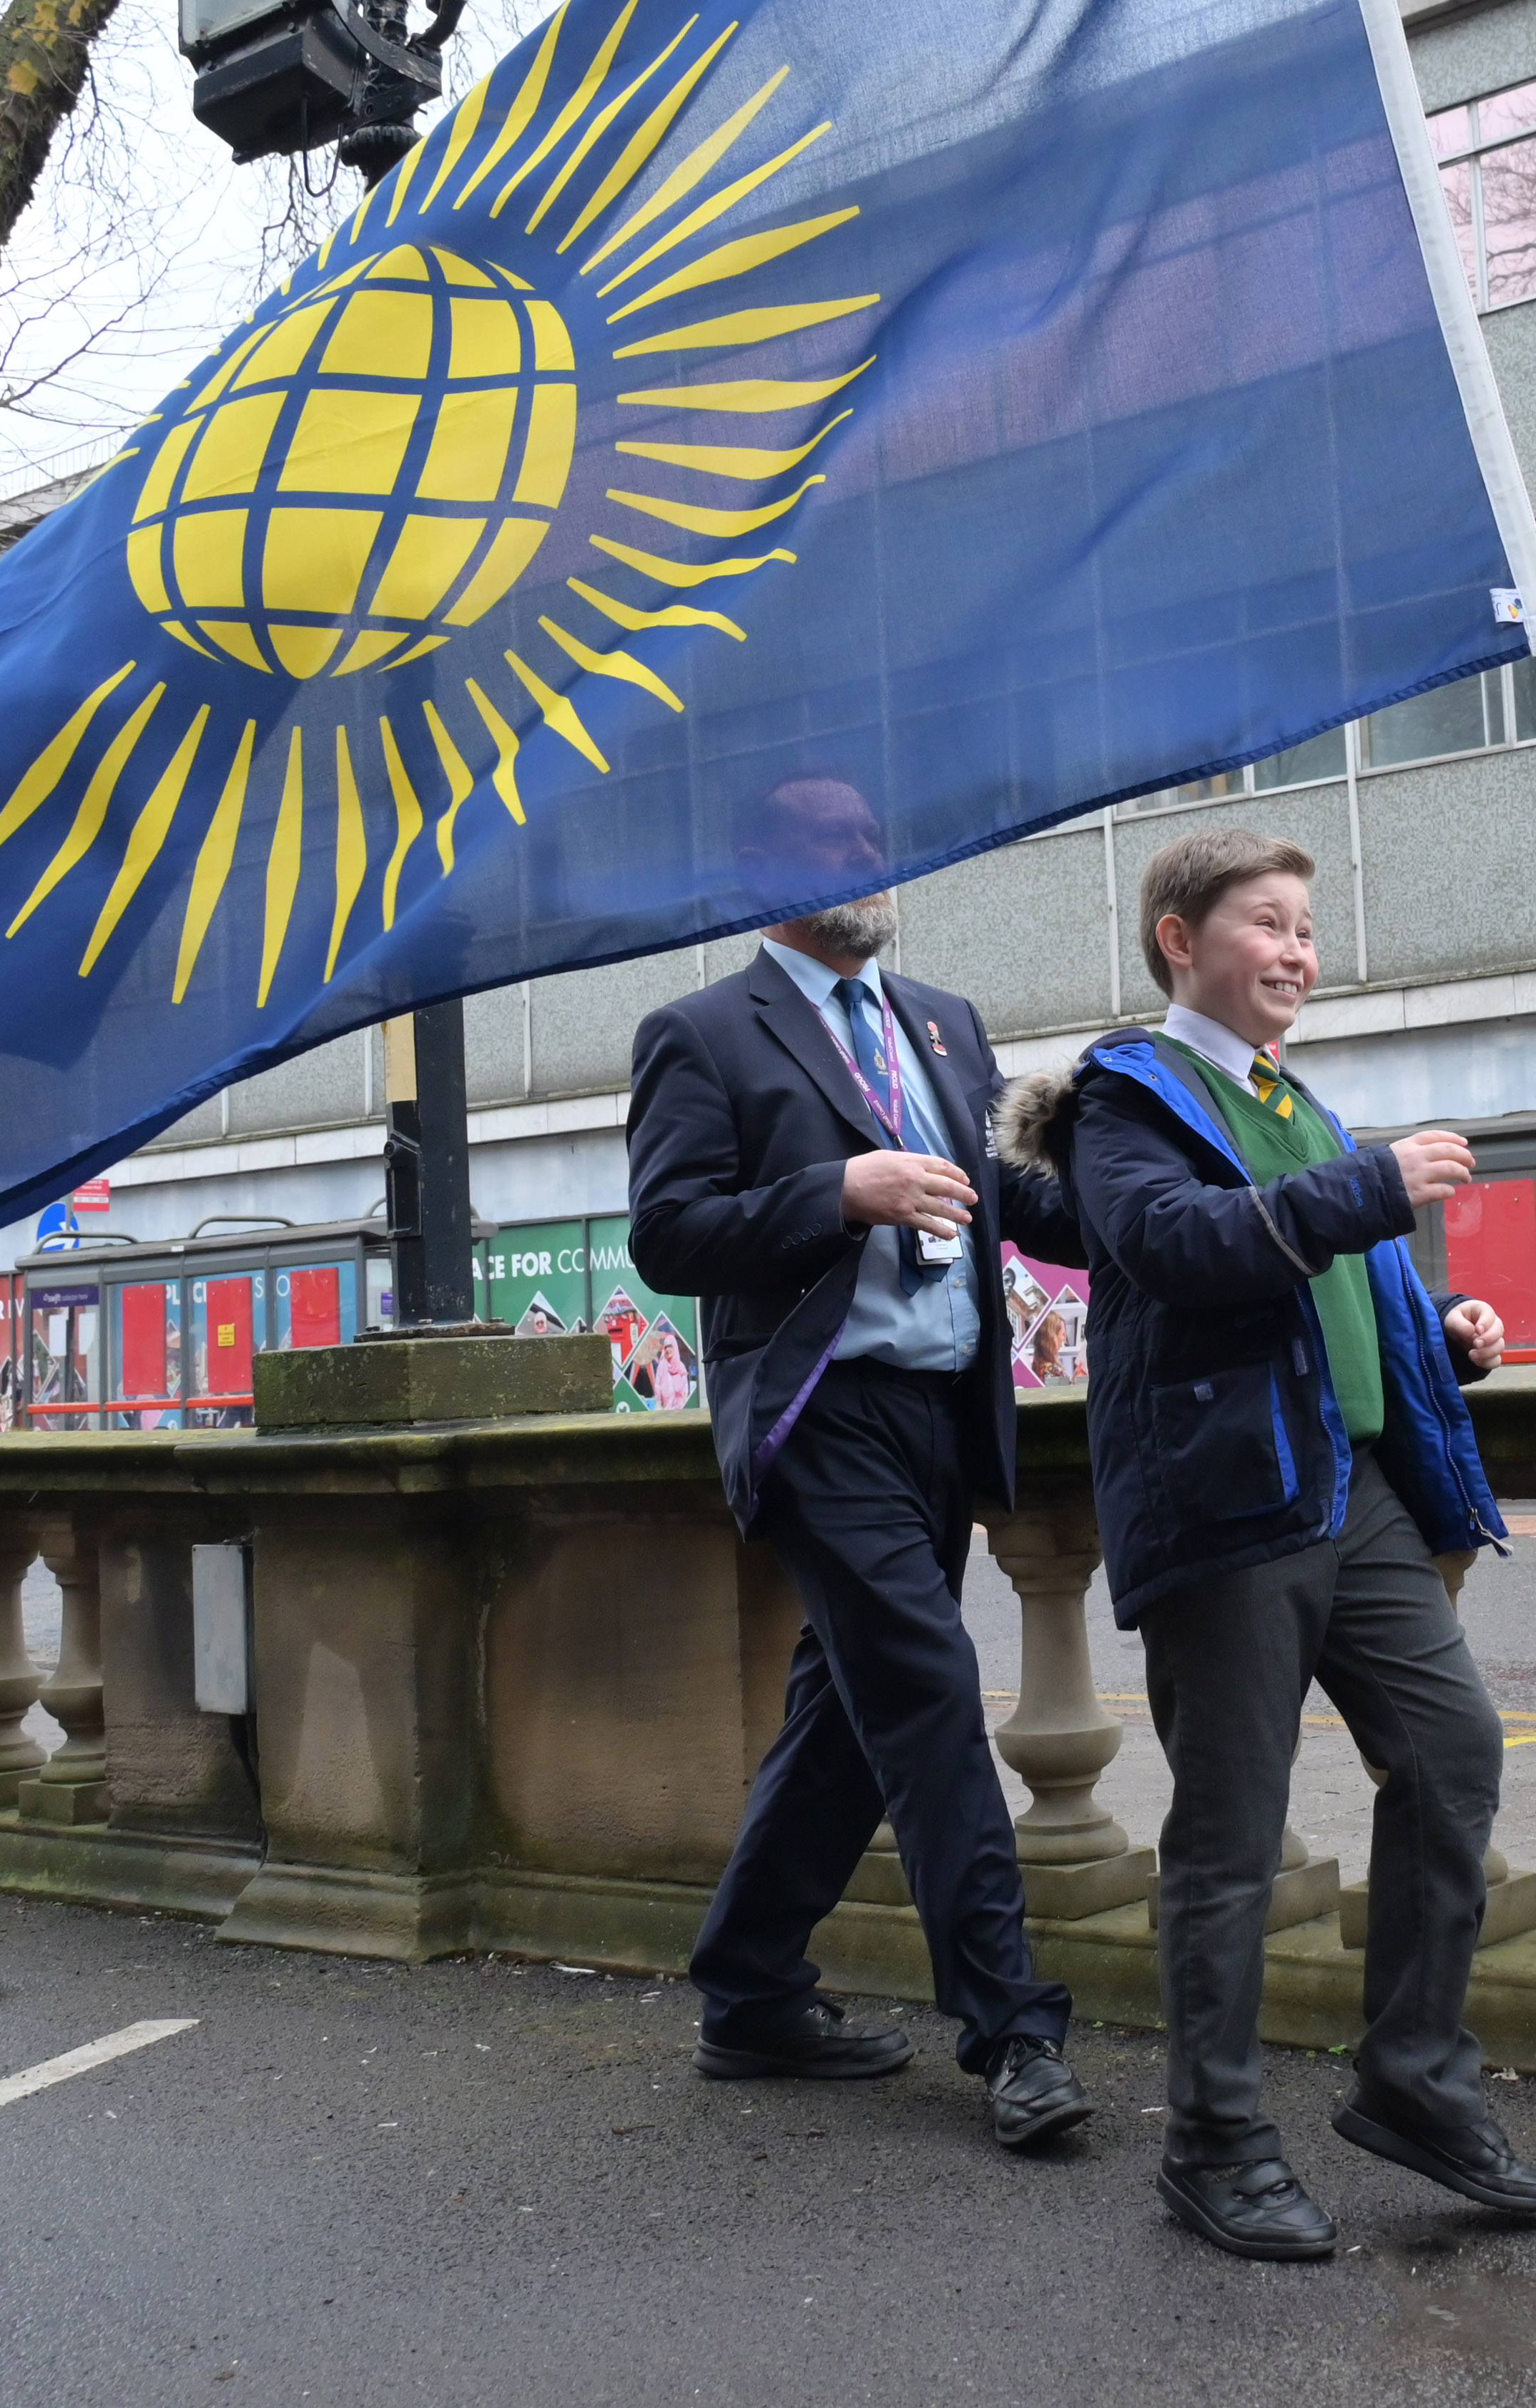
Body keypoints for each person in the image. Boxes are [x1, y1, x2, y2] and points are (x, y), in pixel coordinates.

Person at [997, 824, 1536, 2259]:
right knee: (1232, 1832)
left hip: (1351, 1485)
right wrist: (1366, 1185)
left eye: (1307, 924)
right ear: (1180, 938)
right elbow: (1174, 1244)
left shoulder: (1289, 1100)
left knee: (1449, 1751)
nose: (1299, 948)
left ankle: (1413, 2078)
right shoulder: (1128, 1093)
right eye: (1267, 921)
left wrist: (1437, 1339)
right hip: (1224, 1492)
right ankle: (1213, 2139)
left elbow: (1329, 1304)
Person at [625, 774, 1096, 2149]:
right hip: (818, 1411)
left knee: (849, 1712)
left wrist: (1189, 1216)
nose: (873, 858)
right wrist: (841, 1191)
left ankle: (750, 1988)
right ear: (767, 869)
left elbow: (1017, 1200)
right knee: (932, 1688)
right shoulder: (704, 1030)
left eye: (880, 836)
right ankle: (1013, 2030)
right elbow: (667, 1234)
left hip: (944, 1409)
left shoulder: (940, 1021)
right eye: (839, 841)